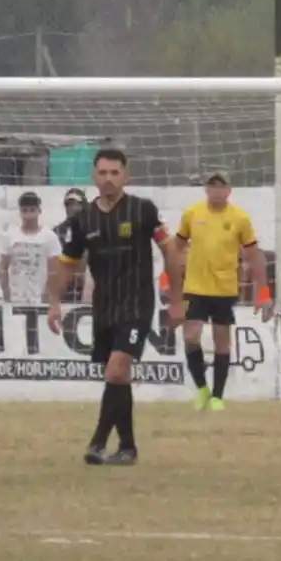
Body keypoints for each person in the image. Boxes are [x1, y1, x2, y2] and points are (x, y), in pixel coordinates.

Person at [48, 149, 184, 466]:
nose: (108, 179)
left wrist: (178, 299)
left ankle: (97, 443)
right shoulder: (83, 220)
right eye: (103, 173)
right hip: (104, 306)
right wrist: (54, 303)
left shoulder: (143, 210)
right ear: (94, 176)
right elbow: (67, 264)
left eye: (114, 173)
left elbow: (170, 252)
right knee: (118, 378)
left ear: (126, 176)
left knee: (116, 369)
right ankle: (128, 448)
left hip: (137, 303)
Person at [176, 171, 268, 411]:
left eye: (221, 186)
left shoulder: (240, 218)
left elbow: (254, 255)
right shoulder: (192, 213)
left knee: (222, 342)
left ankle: (217, 396)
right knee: (191, 337)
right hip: (195, 287)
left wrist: (263, 291)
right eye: (212, 186)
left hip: (224, 289)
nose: (216, 191)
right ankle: (202, 389)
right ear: (206, 189)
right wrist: (170, 277)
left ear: (229, 190)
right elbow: (176, 247)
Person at [0, 191, 60, 304]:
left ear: (39, 211)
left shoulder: (49, 237)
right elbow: (3, 268)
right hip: (16, 297)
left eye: (32, 210)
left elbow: (54, 270)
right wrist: (6, 292)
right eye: (25, 211)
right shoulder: (10, 236)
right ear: (20, 212)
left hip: (40, 298)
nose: (28, 215)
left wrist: (47, 293)